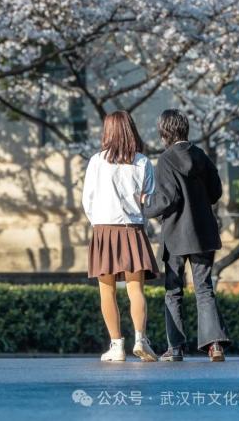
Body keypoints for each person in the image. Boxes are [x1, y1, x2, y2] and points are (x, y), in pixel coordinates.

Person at [142, 109, 230, 362]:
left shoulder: (166, 160)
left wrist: (145, 205)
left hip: (175, 235)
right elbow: (216, 192)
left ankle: (176, 349)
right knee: (204, 289)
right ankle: (215, 346)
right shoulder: (201, 155)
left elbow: (168, 199)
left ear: (165, 132)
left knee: (173, 291)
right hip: (203, 232)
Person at [82, 110, 160, 363]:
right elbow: (149, 198)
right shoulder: (142, 162)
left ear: (108, 131)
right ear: (130, 130)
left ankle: (116, 346)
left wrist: (98, 222)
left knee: (107, 291)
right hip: (132, 229)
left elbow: (88, 199)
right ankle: (141, 339)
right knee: (135, 289)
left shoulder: (96, 161)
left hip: (103, 229)